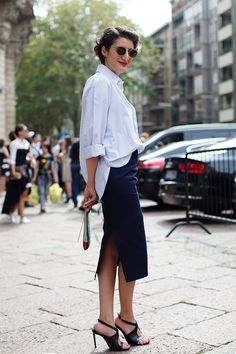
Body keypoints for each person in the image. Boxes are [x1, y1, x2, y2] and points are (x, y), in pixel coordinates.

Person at [79, 26, 150, 351]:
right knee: (132, 246)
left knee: (114, 245)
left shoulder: (112, 85)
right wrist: (91, 184)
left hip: (122, 171)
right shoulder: (99, 83)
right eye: (121, 50)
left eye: (131, 52)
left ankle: (108, 321)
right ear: (104, 50)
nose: (127, 57)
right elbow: (93, 139)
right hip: (117, 174)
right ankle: (126, 318)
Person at [2, 124, 32, 224]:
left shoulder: (27, 143)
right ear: (19, 132)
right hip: (17, 171)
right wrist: (13, 172)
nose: (27, 132)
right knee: (18, 193)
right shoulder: (14, 144)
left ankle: (15, 212)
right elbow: (13, 158)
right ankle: (21, 215)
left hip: (25, 170)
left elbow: (27, 157)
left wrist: (30, 160)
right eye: (25, 130)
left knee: (24, 192)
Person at [32, 141, 56, 213]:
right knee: (41, 191)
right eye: (42, 148)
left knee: (45, 191)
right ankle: (42, 207)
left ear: (48, 149)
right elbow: (36, 168)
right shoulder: (39, 157)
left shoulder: (51, 157)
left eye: (44, 148)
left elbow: (52, 168)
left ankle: (43, 204)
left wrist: (54, 177)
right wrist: (34, 177)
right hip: (40, 176)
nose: (43, 149)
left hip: (48, 176)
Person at [60, 136, 72, 203]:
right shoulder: (67, 148)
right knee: (67, 181)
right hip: (65, 166)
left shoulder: (68, 148)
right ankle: (68, 196)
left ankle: (69, 196)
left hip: (66, 166)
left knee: (67, 181)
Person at [70, 139, 81, 208]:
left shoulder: (74, 145)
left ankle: (74, 200)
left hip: (74, 165)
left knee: (74, 183)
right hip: (81, 165)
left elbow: (70, 155)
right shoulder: (82, 144)